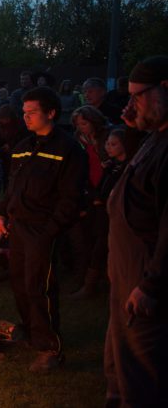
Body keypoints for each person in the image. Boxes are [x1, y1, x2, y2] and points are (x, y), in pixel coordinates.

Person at [0, 86, 86, 373]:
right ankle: (33, 334)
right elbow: (11, 186)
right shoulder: (23, 147)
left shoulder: (68, 149)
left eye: (32, 112)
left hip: (42, 229)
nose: (26, 118)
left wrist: (50, 230)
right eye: (24, 113)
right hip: (18, 226)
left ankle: (50, 348)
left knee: (39, 286)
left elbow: (71, 197)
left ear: (51, 112)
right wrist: (1, 212)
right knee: (20, 282)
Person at [103, 55, 168, 406]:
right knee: (117, 366)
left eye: (137, 96)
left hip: (146, 282)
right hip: (124, 274)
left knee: (143, 376)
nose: (131, 105)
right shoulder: (154, 137)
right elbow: (128, 167)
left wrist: (150, 284)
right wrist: (131, 125)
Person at [70, 128, 130, 299]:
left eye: (113, 144)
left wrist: (102, 198)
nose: (109, 147)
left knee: (107, 248)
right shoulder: (110, 166)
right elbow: (101, 186)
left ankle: (101, 285)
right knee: (98, 245)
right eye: (108, 144)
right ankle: (94, 284)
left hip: (116, 216)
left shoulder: (126, 168)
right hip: (101, 213)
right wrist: (96, 197)